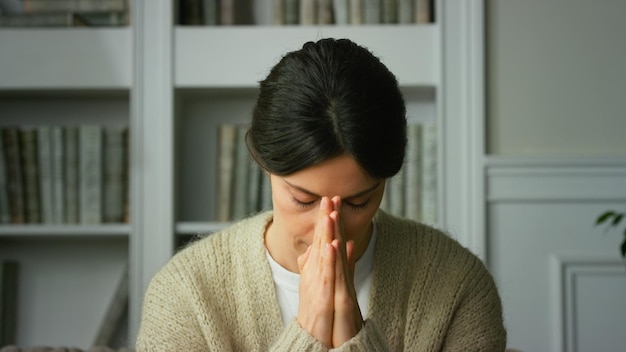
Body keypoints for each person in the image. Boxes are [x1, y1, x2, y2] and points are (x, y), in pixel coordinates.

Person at [136, 38, 507, 351]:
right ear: (264, 164)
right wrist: (307, 335)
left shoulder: (457, 285)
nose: (327, 229)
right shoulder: (185, 294)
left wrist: (355, 339)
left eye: (358, 202)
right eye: (303, 199)